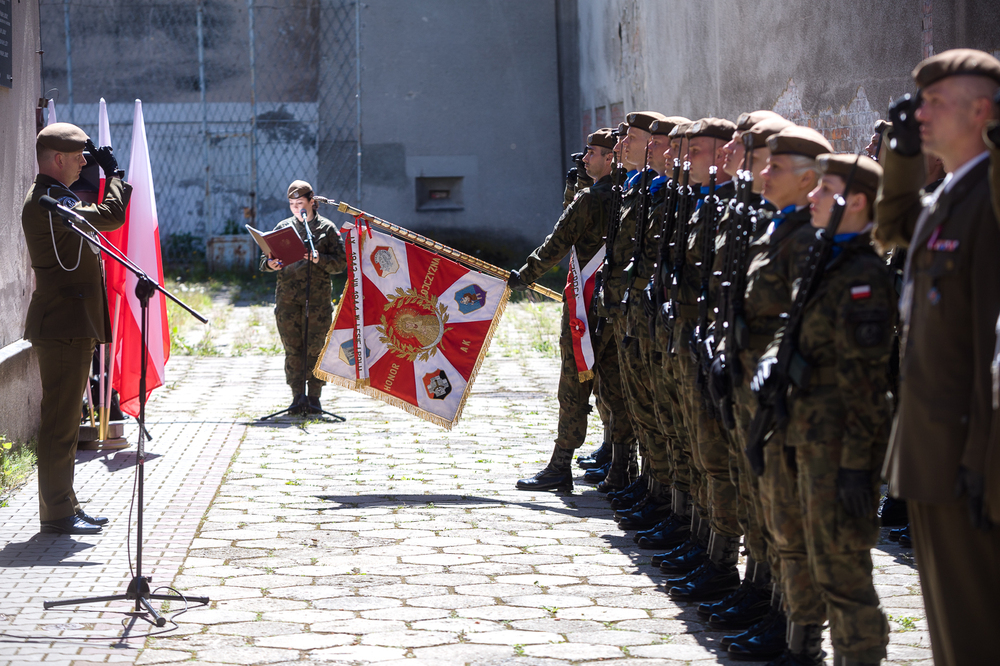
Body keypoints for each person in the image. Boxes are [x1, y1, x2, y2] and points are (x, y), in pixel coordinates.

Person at [876, 48, 1000, 666]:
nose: (919, 113)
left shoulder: (990, 199)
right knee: (951, 634)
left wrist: (984, 463)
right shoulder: (948, 194)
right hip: (929, 454)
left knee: (978, 634)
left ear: (981, 113)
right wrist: (901, 156)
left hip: (970, 457)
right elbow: (891, 226)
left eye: (935, 103)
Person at [754, 153, 893, 666]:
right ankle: (804, 650)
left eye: (826, 189)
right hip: (802, 431)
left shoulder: (863, 276)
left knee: (843, 571)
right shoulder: (823, 256)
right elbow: (791, 326)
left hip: (837, 445)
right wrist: (772, 360)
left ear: (855, 202)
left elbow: (867, 387)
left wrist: (856, 467)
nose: (813, 196)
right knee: (805, 550)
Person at [22, 123, 132, 535]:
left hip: (71, 322)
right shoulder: (47, 202)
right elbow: (111, 216)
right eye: (78, 156)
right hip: (63, 323)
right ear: (57, 159)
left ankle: (65, 503)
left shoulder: (58, 198)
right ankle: (56, 513)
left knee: (67, 421)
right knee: (60, 423)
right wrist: (115, 176)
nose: (85, 162)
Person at [511, 129, 635, 491]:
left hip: (587, 307)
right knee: (615, 386)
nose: (585, 158)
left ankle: (560, 465)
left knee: (574, 382)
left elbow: (559, 241)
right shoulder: (627, 196)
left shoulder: (590, 199)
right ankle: (621, 467)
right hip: (616, 305)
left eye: (592, 153)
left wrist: (524, 276)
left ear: (610, 158)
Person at [260, 180, 347, 415]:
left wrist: (320, 259)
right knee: (293, 349)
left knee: (316, 349)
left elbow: (341, 264)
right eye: (292, 204)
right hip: (287, 300)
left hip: (317, 301)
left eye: (300, 203)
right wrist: (270, 264)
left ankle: (314, 397)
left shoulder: (327, 229)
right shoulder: (283, 227)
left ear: (311, 202)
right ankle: (297, 396)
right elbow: (265, 260)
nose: (296, 208)